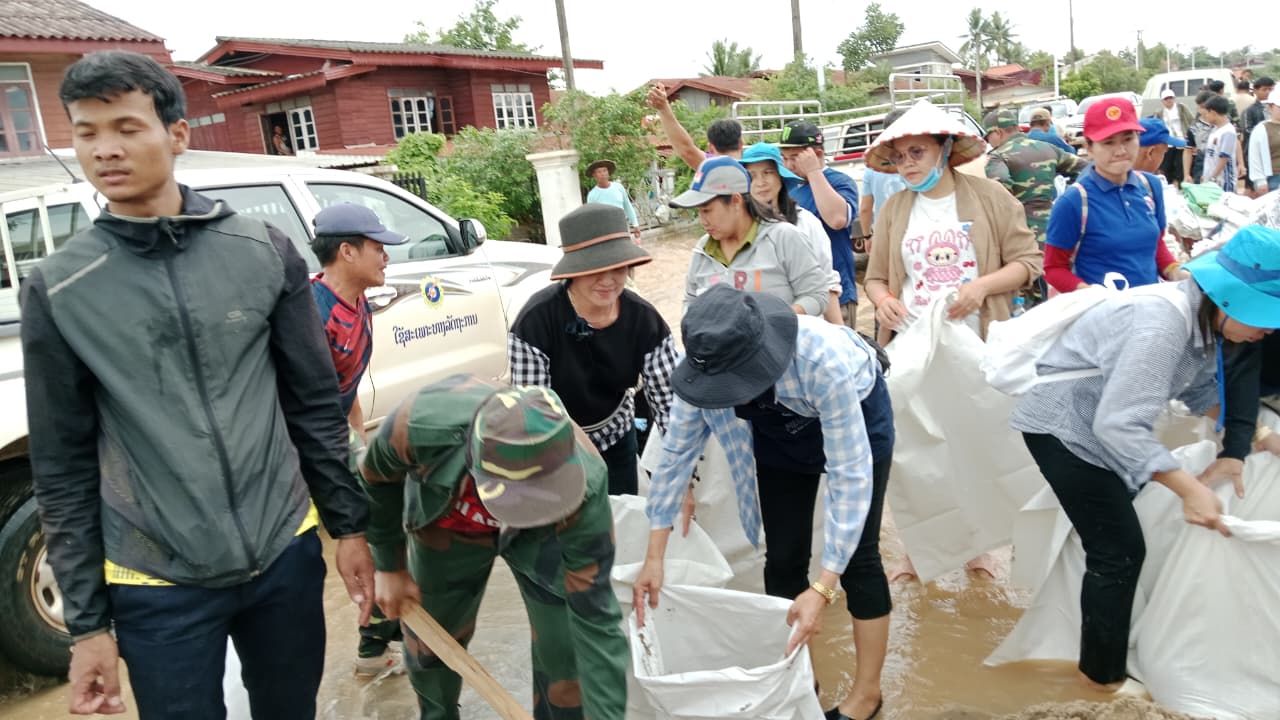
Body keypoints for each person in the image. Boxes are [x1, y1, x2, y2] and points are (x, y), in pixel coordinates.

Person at [20, 50, 374, 718]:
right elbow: (61, 467)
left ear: (177, 135)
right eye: (86, 132)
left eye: (126, 127)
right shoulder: (61, 287)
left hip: (283, 554)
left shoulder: (263, 251)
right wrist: (89, 627)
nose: (104, 150)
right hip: (156, 578)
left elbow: (314, 406)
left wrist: (349, 529)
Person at [1010, 224, 1280, 693]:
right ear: (1233, 299)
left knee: (1116, 534)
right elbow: (1116, 424)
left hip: (1096, 422)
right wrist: (1190, 489)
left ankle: (1097, 644)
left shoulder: (1199, 320)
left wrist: (1255, 436)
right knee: (1118, 550)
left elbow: (1199, 393)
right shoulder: (1164, 322)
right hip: (1063, 427)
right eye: (1265, 318)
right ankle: (1099, 681)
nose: (1268, 330)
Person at [634, 285, 895, 720]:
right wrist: (654, 556)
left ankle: (867, 695)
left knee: (859, 560)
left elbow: (851, 477)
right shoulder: (704, 360)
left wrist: (825, 588)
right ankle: (800, 682)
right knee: (784, 560)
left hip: (859, 409)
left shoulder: (820, 362)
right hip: (779, 431)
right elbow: (676, 457)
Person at [362, 379, 627, 720]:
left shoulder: (585, 485)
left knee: (564, 644)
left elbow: (597, 621)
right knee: (432, 643)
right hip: (449, 524)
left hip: (543, 535)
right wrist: (389, 565)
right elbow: (374, 479)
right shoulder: (418, 424)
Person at [508, 203, 676, 495]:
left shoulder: (645, 321)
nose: (608, 280)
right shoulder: (534, 322)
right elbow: (534, 411)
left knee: (619, 525)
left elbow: (668, 405)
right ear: (573, 272)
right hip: (556, 447)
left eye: (618, 267)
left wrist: (681, 474)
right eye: (595, 269)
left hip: (616, 436)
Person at [309, 203, 410, 676]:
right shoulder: (311, 312)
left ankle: (387, 636)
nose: (385, 256)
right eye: (377, 247)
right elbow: (306, 407)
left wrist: (361, 440)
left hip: (336, 433)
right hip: (307, 444)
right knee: (378, 524)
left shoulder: (358, 304)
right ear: (346, 251)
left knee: (393, 509)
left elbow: (347, 386)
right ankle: (374, 647)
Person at [864, 100, 1043, 342]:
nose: (907, 162)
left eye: (917, 152)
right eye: (898, 156)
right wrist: (883, 300)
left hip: (983, 340)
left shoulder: (991, 196)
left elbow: (1028, 262)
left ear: (946, 148)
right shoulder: (892, 210)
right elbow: (875, 278)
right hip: (915, 343)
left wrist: (982, 286)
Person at [1043, 97, 1187, 294]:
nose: (1120, 151)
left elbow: (1156, 245)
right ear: (1089, 147)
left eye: (1128, 139)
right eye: (1108, 142)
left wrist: (1176, 272)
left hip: (1152, 311)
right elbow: (1054, 269)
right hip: (1103, 317)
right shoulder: (1074, 202)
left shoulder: (1151, 187)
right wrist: (1091, 294)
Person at [670, 155, 832, 317]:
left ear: (735, 200)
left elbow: (817, 295)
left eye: (707, 210)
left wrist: (775, 322)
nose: (703, 221)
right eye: (698, 211)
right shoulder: (702, 251)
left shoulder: (783, 237)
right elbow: (690, 302)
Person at [740, 141, 846, 324]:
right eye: (752, 175)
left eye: (768, 173)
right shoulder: (740, 227)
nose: (760, 182)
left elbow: (826, 283)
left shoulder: (806, 223)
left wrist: (842, 335)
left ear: (781, 177)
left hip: (807, 329)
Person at [778, 120, 862, 326]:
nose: (789, 165)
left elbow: (837, 219)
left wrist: (814, 172)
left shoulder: (840, 182)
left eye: (795, 158)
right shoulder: (788, 188)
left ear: (816, 154)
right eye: (785, 158)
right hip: (799, 299)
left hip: (836, 294)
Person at [983, 108, 1087, 243]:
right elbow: (1085, 169)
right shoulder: (1047, 148)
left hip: (1022, 233)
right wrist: (1067, 197)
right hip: (1057, 227)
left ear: (998, 132)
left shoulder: (997, 157)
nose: (988, 142)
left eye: (988, 137)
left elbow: (999, 184)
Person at [646, 82, 743, 170]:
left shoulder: (711, 167)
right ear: (741, 144)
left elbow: (686, 150)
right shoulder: (753, 165)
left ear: (710, 148)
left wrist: (663, 108)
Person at [860, 107, 909, 249]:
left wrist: (867, 236)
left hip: (885, 235)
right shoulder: (919, 164)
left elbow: (865, 208)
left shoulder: (872, 167)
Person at [585, 159, 642, 241]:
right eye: (599, 172)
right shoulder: (592, 195)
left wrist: (635, 224)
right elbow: (592, 217)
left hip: (622, 226)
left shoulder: (618, 187)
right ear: (594, 175)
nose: (602, 174)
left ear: (608, 173)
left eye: (604, 171)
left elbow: (627, 206)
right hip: (605, 231)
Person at [1156, 88, 1196, 185]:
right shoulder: (1160, 113)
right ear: (1162, 101)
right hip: (1169, 143)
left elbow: (1191, 121)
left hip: (1181, 141)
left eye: (1170, 98)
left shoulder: (1181, 108)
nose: (1169, 100)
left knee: (1181, 167)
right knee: (1167, 168)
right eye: (1166, 99)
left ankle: (1183, 186)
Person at [1202, 94, 1239, 193]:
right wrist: (1205, 176)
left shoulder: (1228, 132)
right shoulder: (1215, 129)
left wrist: (1213, 177)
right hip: (1211, 180)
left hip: (1223, 182)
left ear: (1213, 112)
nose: (1205, 117)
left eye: (1206, 114)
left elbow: (1224, 159)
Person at [1248, 96, 1280, 193]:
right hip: (1273, 178)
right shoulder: (1261, 129)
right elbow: (1255, 156)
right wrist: (1260, 180)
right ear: (1269, 107)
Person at [1186, 91, 1216, 183]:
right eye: (1200, 107)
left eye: (1204, 107)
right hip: (1201, 167)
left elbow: (1236, 142)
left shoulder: (1223, 123)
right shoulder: (1194, 128)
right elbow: (1187, 150)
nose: (1202, 110)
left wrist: (1241, 164)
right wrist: (1186, 174)